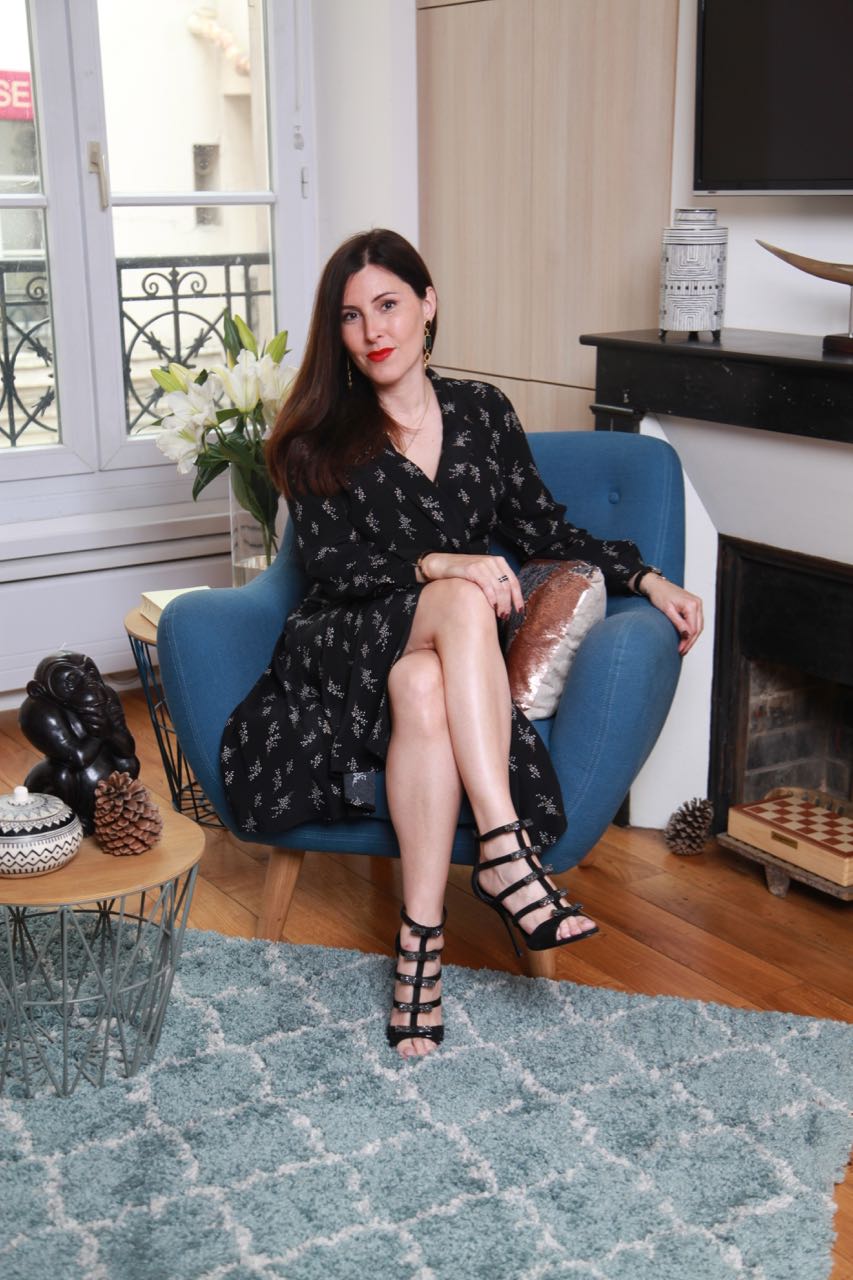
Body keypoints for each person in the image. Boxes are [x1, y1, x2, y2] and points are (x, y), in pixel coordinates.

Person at [220, 229, 703, 1059]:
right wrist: (440, 563)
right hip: (340, 639)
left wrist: (648, 577)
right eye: (350, 316)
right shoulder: (315, 437)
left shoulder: (481, 412)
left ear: (427, 304)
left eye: (388, 304)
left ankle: (419, 948)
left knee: (421, 685)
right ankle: (505, 853)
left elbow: (543, 528)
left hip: (435, 651)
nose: (373, 330)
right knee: (460, 596)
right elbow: (331, 567)